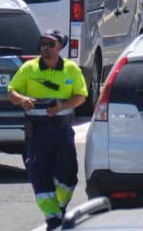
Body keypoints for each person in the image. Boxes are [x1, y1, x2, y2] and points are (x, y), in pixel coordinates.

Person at [9, 31, 90, 228]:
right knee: (39, 172)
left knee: (68, 172)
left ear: (60, 47)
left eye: (50, 44)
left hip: (61, 128)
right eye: (42, 43)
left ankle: (60, 206)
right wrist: (22, 99)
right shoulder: (29, 68)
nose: (45, 47)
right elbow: (12, 91)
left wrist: (61, 107)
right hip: (37, 130)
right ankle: (52, 216)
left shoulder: (71, 69)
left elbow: (81, 95)